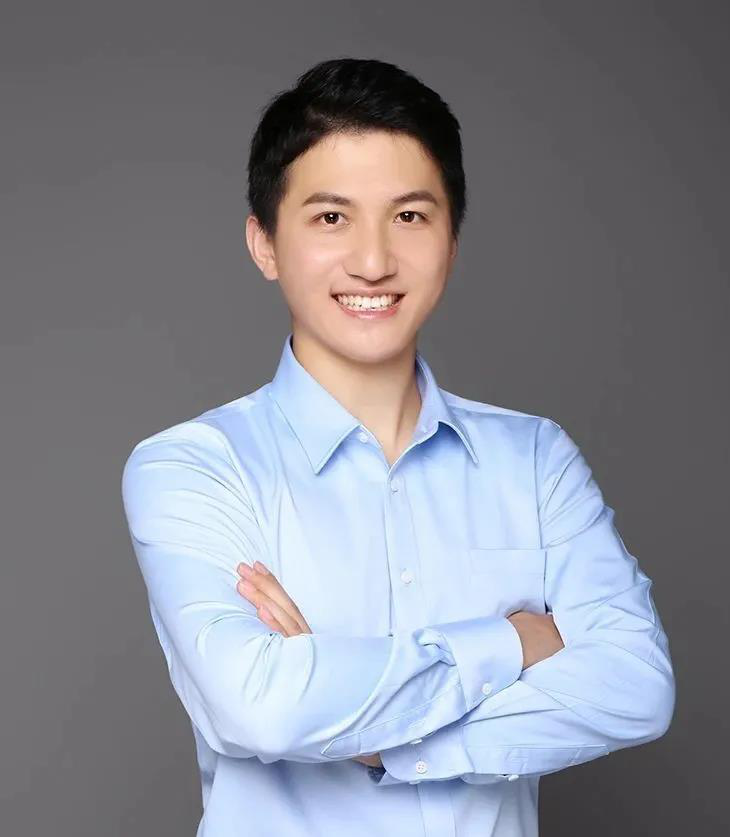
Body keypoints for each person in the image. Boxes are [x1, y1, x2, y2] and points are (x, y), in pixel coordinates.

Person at [120, 57, 675, 837]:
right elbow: (261, 706)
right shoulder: (193, 466)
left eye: (410, 216)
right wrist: (513, 642)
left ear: (452, 238)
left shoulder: (535, 460)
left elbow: (636, 686)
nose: (375, 261)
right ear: (264, 242)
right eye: (331, 218)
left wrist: (381, 741)